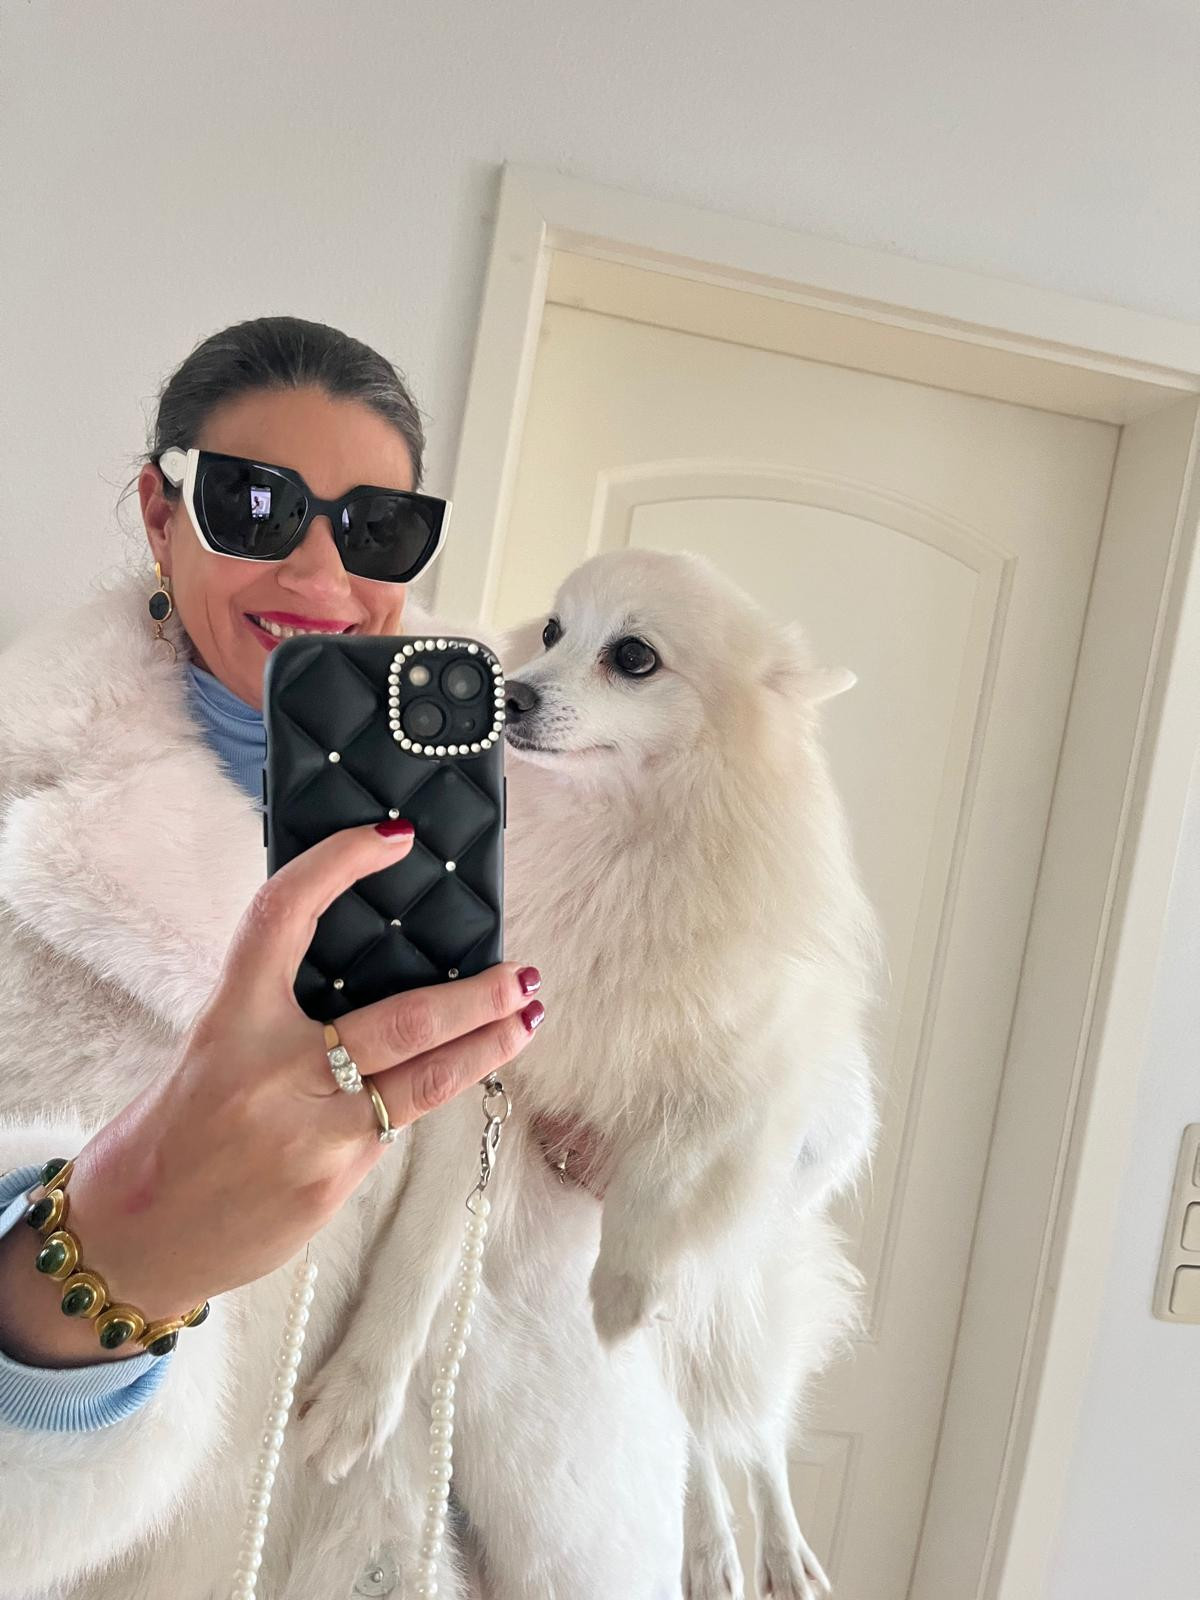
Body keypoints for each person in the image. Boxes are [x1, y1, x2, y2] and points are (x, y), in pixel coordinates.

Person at [0, 317, 551, 1599]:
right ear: (161, 513)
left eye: (378, 529)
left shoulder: (541, 802)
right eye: (258, 504)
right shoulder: (24, 806)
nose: (320, 568)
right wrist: (108, 1254)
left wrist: (617, 1134)